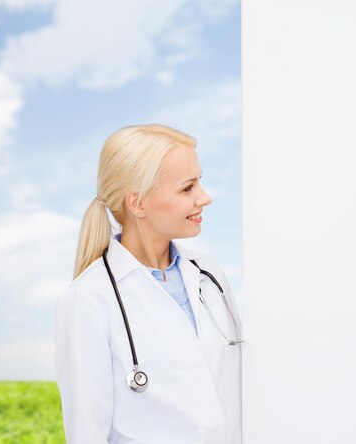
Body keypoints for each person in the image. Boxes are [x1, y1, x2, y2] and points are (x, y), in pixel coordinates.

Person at [54, 124, 243, 444]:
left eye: (201, 183)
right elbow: (87, 432)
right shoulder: (89, 299)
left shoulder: (208, 274)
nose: (205, 198)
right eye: (188, 188)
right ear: (138, 204)